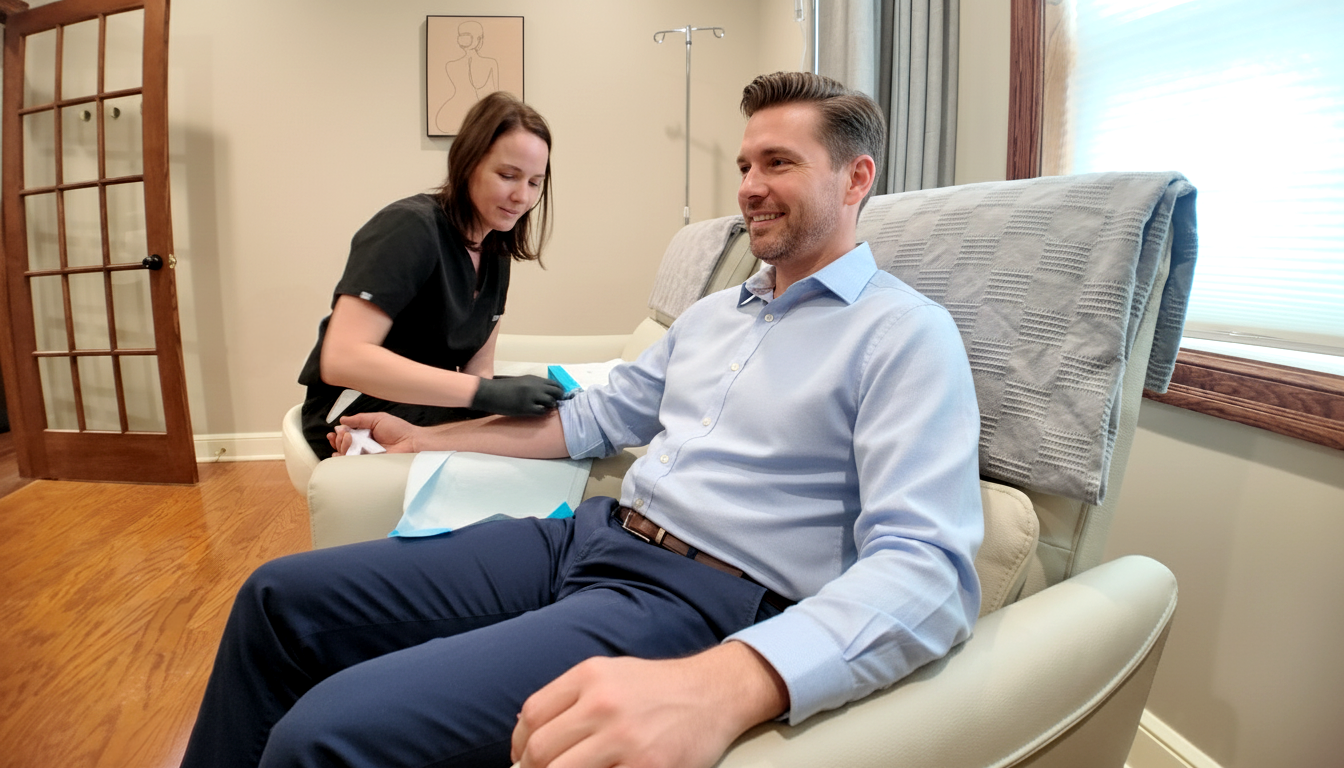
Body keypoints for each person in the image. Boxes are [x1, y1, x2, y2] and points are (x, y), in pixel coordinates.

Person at [185, 72, 983, 768]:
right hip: (590, 536)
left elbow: (929, 571)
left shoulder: (903, 334)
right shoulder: (712, 319)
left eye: (779, 162)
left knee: (320, 736)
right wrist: (425, 435)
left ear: (855, 179)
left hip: (696, 597)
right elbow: (591, 420)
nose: (747, 186)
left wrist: (729, 682)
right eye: (744, 164)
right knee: (275, 598)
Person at [297, 91, 564, 458]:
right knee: (526, 435)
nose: (522, 196)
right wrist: (485, 397)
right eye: (508, 175)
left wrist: (494, 397)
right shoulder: (410, 228)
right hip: (352, 407)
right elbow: (343, 358)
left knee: (557, 421)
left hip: (427, 406)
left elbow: (478, 368)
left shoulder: (496, 251)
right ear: (468, 163)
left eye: (534, 182)